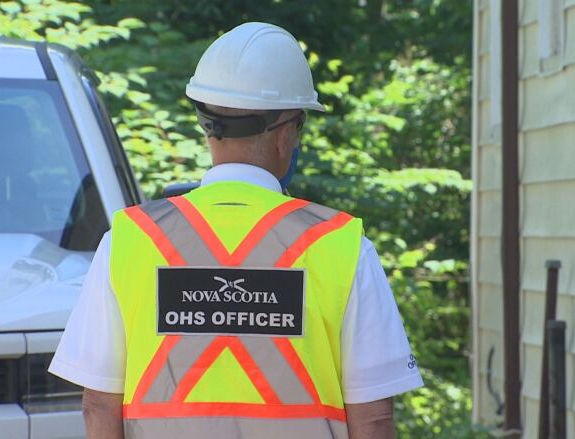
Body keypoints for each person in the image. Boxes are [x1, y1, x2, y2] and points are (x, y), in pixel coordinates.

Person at [49, 22, 423, 439]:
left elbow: (98, 403)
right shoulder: (342, 245)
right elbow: (373, 416)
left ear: (207, 125)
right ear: (287, 132)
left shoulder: (129, 239)